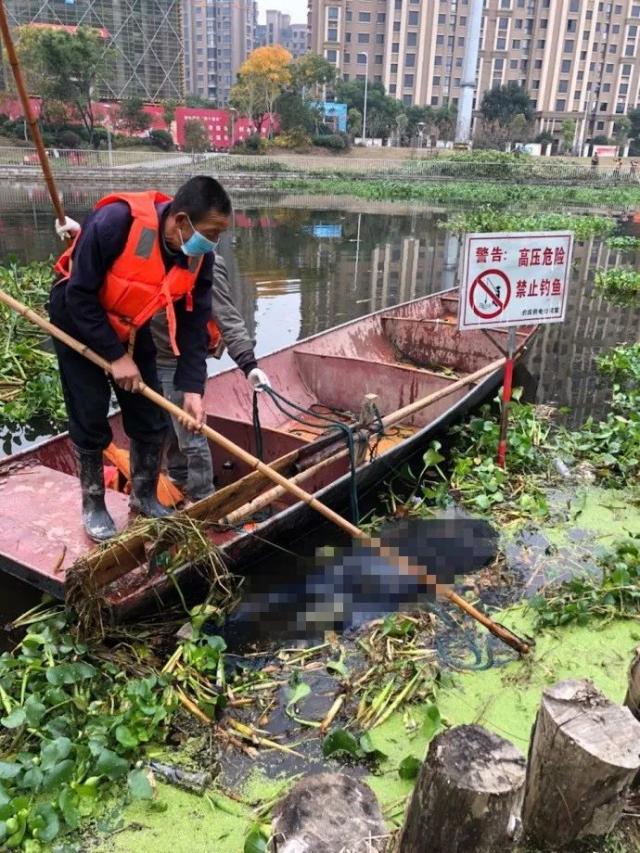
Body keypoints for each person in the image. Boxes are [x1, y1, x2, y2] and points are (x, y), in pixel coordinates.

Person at [51, 176, 231, 542]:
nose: (212, 242)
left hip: (133, 325)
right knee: (89, 411)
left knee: (152, 417)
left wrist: (193, 389)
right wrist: (116, 357)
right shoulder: (116, 222)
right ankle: (94, 504)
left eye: (218, 235)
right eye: (210, 232)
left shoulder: (199, 259)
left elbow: (195, 324)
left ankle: (144, 496)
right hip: (78, 323)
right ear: (181, 221)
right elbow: (79, 295)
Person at [150, 252, 270, 503]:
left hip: (181, 362)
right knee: (167, 429)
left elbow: (227, 317)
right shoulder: (154, 251)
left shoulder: (206, 263)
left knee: (190, 432)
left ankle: (204, 498)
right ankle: (178, 478)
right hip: (148, 355)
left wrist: (249, 365)